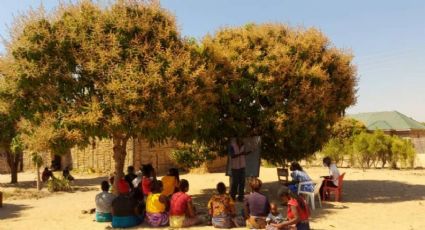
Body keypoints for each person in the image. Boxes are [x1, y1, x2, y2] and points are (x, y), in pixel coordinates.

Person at [228, 138, 250, 202]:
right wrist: (241, 154)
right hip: (235, 167)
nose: (242, 140)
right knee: (235, 183)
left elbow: (243, 153)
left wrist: (247, 153)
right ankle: (233, 197)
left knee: (242, 182)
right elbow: (232, 156)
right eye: (240, 139)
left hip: (242, 166)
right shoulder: (232, 145)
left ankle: (241, 197)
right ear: (237, 140)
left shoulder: (243, 145)